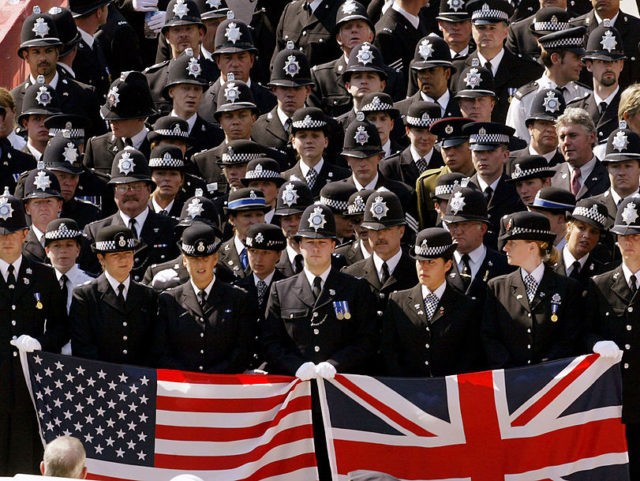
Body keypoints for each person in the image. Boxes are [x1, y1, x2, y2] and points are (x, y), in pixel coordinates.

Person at [0, 192, 68, 476]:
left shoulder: (43, 275)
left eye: (13, 231)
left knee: (26, 461)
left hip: (32, 388)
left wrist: (41, 342)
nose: (6, 239)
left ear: (26, 233)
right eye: (0, 232)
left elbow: (61, 326)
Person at [482, 211, 584, 368]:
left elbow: (569, 338)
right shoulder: (496, 287)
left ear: (532, 247)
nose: (505, 248)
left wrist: (540, 372)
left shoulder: (568, 288)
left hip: (551, 379)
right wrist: (512, 370)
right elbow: (489, 336)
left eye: (512, 243)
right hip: (509, 380)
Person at [585, 196, 640, 480]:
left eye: (635, 235)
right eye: (622, 236)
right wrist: (595, 343)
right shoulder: (600, 285)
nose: (628, 242)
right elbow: (584, 330)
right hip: (611, 401)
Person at [152, 222, 255, 372]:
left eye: (205, 259)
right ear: (185, 260)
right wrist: (192, 379)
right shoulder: (169, 300)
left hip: (224, 385)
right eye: (194, 259)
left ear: (215, 259)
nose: (201, 265)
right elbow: (161, 350)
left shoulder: (238, 299)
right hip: (184, 386)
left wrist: (211, 377)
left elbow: (242, 350)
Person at [382, 227, 482, 376]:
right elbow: (389, 351)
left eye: (431, 262)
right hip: (406, 390)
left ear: (447, 265)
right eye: (420, 262)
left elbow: (470, 356)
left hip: (449, 390)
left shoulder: (466, 306)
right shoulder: (397, 302)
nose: (423, 268)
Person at [81, 148, 179, 280]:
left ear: (149, 189)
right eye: (123, 187)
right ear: (114, 192)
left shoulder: (172, 228)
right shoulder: (95, 232)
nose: (130, 192)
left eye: (136, 186)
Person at [70, 225, 158, 365]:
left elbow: (154, 344)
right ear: (101, 259)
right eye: (115, 255)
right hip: (101, 378)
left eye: (128, 253)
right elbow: (83, 347)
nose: (123, 260)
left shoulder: (148, 295)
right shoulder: (85, 295)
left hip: (140, 378)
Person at [450, 0, 543, 124]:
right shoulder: (456, 70)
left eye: (492, 28)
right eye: (481, 28)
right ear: (472, 30)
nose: (487, 33)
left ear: (506, 31)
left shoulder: (528, 71)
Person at [506, 26, 590, 142]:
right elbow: (517, 146)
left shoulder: (587, 96)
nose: (582, 64)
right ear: (556, 59)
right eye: (576, 58)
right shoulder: (525, 99)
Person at [443, 186, 513, 305]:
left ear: (483, 229)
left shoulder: (504, 265)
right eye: (453, 225)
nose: (457, 231)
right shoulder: (438, 263)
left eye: (464, 224)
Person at [199, 17, 276, 123]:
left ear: (252, 60)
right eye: (228, 57)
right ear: (218, 61)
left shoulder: (270, 101)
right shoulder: (202, 104)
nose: (235, 64)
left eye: (241, 57)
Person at [566, 21, 626, 155]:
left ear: (621, 65)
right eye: (602, 62)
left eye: (614, 61)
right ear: (589, 65)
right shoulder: (576, 108)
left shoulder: (631, 107)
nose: (609, 67)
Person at [463, 121, 525, 250]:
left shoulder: (517, 190)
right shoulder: (462, 192)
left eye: (489, 151)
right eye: (477, 152)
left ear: (505, 155)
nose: (483, 158)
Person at [235, 223, 288, 369]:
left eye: (265, 253)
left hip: (277, 370)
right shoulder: (236, 289)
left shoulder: (289, 289)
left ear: (278, 255)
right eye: (253, 251)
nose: (258, 259)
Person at [82, 71, 156, 175]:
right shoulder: (96, 147)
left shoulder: (159, 146)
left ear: (141, 118)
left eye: (120, 118)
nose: (112, 122)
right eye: (110, 117)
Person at [415, 117, 475, 228]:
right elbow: (424, 226)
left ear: (470, 145)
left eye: (457, 146)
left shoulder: (480, 179)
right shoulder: (428, 182)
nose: (450, 153)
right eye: (446, 148)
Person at [282, 107, 351, 199]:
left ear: (326, 141)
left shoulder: (344, 178)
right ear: (293, 142)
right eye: (302, 136)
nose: (309, 141)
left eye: (315, 136)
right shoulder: (284, 179)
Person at [380, 101, 443, 189]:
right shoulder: (391, 166)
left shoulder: (444, 162)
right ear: (408, 131)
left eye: (430, 132)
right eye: (419, 131)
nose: (424, 137)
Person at [396, 34, 461, 118]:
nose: (425, 76)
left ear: (447, 73)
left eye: (432, 70)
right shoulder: (401, 112)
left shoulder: (464, 108)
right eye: (421, 71)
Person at [551, 107, 610, 199]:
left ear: (592, 137)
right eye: (562, 137)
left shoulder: (609, 176)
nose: (566, 142)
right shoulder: (551, 177)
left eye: (573, 135)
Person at [507, 88, 567, 174]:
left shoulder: (568, 163)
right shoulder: (509, 163)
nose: (550, 129)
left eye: (555, 124)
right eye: (543, 123)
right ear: (530, 128)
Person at [554, 198, 609, 285]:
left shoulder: (602, 275)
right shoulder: (546, 264)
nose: (586, 235)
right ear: (569, 227)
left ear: (598, 237)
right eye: (581, 228)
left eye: (593, 232)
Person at [217, 188, 269, 279]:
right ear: (232, 219)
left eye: (259, 215)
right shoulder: (218, 255)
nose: (254, 221)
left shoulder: (274, 252)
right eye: (247, 216)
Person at [21, 167, 64, 264]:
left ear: (59, 205)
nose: (43, 207)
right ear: (27, 208)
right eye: (37, 202)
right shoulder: (19, 244)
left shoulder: (76, 241)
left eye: (49, 201)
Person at [273, 180, 315, 277]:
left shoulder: (328, 259)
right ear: (280, 222)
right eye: (287, 219)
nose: (293, 223)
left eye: (299, 217)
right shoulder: (272, 263)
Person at [527, 186, 577, 251]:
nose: (534, 219)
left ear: (561, 219)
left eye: (540, 215)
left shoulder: (574, 252)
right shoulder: (534, 248)